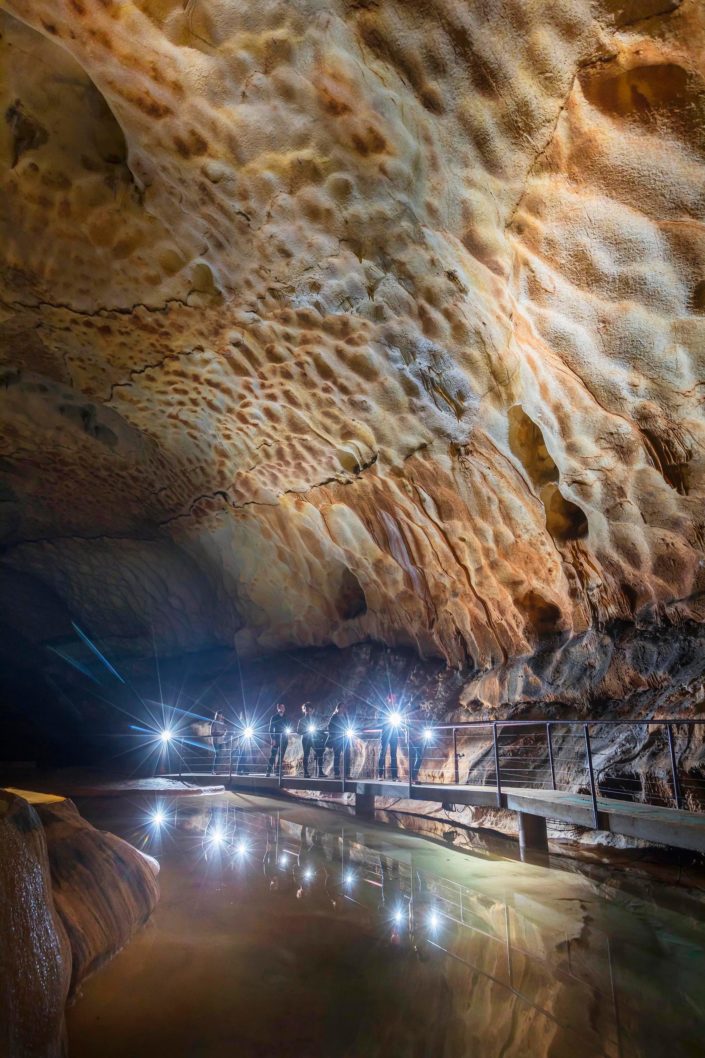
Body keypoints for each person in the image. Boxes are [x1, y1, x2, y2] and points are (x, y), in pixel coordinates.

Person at [377, 693, 404, 780]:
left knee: (393, 755)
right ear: (388, 699)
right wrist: (385, 723)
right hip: (386, 733)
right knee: (383, 753)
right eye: (392, 698)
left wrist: (400, 732)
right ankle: (380, 774)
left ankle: (394, 775)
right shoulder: (383, 708)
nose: (394, 699)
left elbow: (400, 720)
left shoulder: (396, 709)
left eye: (395, 698)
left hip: (394, 734)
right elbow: (379, 720)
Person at [298, 702, 325, 778]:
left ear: (312, 710)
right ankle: (305, 772)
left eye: (310, 709)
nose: (308, 711)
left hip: (314, 739)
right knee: (306, 755)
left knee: (320, 752)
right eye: (306, 709)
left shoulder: (314, 720)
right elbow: (299, 731)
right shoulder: (301, 720)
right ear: (304, 710)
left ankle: (320, 771)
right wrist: (305, 731)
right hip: (306, 739)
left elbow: (318, 728)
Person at [326, 702, 351, 779]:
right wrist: (335, 734)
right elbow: (330, 727)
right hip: (337, 739)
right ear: (338, 708)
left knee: (347, 755)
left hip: (345, 738)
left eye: (344, 707)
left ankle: (347, 773)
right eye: (342, 707)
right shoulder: (334, 717)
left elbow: (348, 726)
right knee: (337, 756)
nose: (343, 709)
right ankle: (336, 773)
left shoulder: (346, 717)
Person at [266, 702, 289, 777]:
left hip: (284, 739)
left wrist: (287, 736)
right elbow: (270, 729)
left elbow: (288, 726)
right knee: (273, 755)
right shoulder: (274, 717)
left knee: (281, 756)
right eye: (281, 707)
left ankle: (278, 772)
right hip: (276, 738)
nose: (283, 709)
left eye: (284, 707)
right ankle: (268, 771)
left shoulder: (286, 717)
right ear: (278, 708)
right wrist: (272, 739)